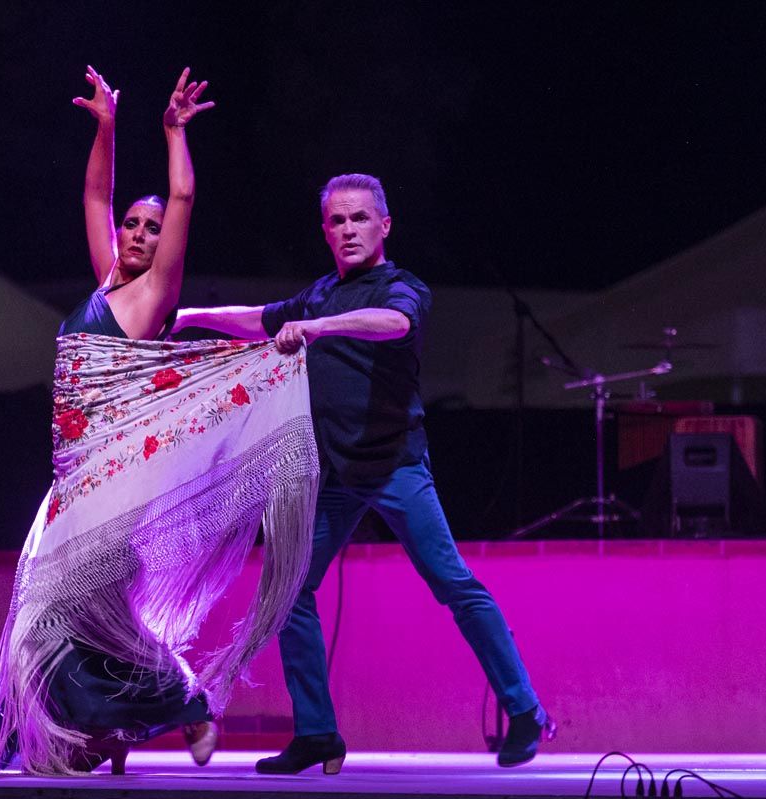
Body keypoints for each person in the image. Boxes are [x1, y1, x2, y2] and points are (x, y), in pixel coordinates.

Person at [173, 173, 554, 772]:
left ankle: (526, 710)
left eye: (359, 218)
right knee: (289, 591)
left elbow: (394, 324)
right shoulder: (321, 292)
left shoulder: (404, 288)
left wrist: (317, 329)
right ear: (325, 231)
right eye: (337, 221)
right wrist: (189, 314)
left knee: (453, 584)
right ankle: (318, 733)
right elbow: (256, 318)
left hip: (396, 466)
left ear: (384, 225)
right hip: (337, 475)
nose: (348, 230)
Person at [0, 66, 220, 775]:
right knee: (68, 615)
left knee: (53, 611)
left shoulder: (155, 295)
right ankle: (107, 729)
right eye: (133, 226)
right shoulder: (111, 281)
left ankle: (172, 701)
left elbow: (184, 193)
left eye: (151, 228)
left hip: (115, 480)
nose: (137, 233)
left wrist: (171, 132)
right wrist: (106, 126)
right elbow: (95, 193)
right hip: (72, 478)